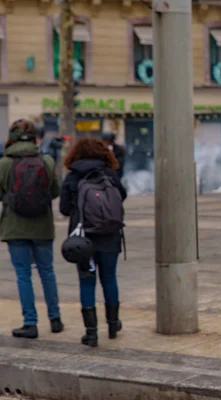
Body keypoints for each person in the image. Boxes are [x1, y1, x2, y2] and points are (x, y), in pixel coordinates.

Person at [60, 137, 127, 347]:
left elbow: (63, 208)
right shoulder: (110, 174)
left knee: (86, 281)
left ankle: (91, 333)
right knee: (109, 279)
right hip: (110, 236)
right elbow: (122, 196)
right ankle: (113, 325)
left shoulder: (72, 177)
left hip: (83, 239)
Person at [0, 119, 63, 339]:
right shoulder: (46, 161)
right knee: (47, 272)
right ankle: (55, 319)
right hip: (43, 227)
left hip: (15, 228)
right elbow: (55, 192)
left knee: (23, 275)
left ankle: (30, 323)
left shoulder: (5, 163)